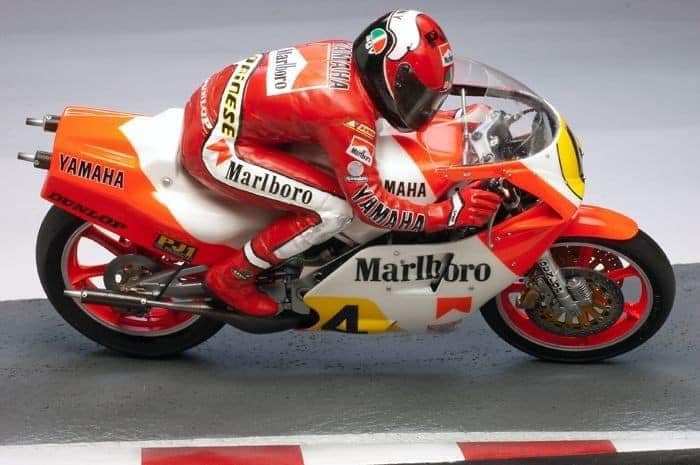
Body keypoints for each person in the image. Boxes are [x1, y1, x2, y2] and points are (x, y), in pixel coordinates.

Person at [180, 9, 501, 317]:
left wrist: (455, 121)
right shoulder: (347, 114)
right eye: (418, 94)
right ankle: (232, 277)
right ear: (394, 77)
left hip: (216, 99)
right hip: (217, 146)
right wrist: (445, 213)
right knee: (335, 210)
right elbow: (372, 208)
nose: (422, 107)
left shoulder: (346, 52)